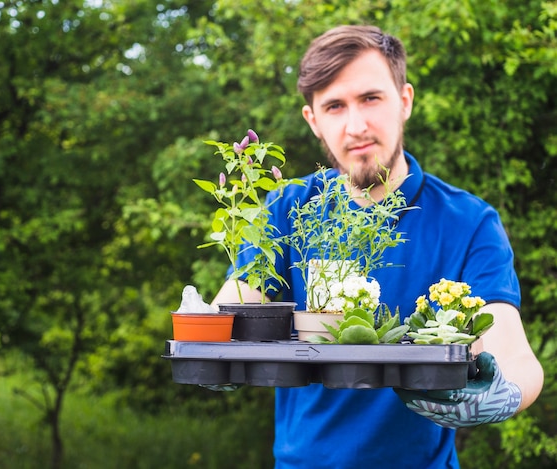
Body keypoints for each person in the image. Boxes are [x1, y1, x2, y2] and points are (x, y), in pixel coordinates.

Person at [211, 25, 544, 468]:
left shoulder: (468, 222)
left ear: (404, 100)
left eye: (371, 98)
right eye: (334, 106)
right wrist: (212, 344)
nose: (356, 125)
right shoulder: (287, 207)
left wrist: (503, 394)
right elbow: (236, 304)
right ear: (313, 120)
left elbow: (515, 353)